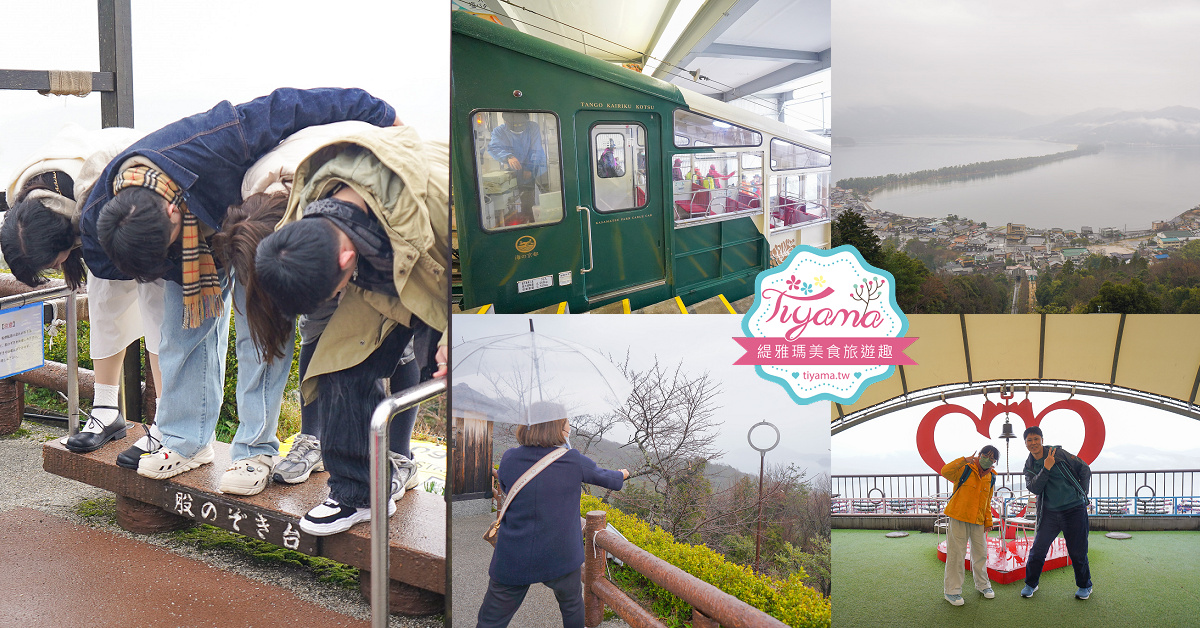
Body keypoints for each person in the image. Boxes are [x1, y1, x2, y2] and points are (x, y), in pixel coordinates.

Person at [78, 87, 401, 495]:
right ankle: (184, 441)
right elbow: (105, 262)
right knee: (181, 336)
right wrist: (168, 261)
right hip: (192, 254)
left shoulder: (215, 140)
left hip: (257, 222)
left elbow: (292, 105)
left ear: (172, 210)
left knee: (261, 336)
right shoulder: (102, 215)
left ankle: (254, 450)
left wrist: (381, 114)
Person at [252, 124, 449, 534]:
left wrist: (455, 334)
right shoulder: (310, 203)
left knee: (443, 371)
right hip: (378, 275)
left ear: (343, 259)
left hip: (436, 270)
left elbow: (493, 269)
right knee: (341, 363)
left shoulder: (441, 198)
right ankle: (356, 495)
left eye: (331, 292)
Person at [210, 121, 422, 488]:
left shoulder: (348, 191)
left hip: (375, 237)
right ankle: (313, 440)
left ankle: (401, 455)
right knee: (316, 328)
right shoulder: (255, 192)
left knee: (396, 345)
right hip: (318, 237)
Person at [1, 125, 165, 464]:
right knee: (105, 304)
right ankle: (107, 409)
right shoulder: (28, 203)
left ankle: (165, 421)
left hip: (144, 213)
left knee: (157, 314)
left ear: (65, 238)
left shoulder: (92, 188)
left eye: (53, 262)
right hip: (97, 215)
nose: (56, 267)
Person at [477, 409, 627, 628]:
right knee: (572, 606)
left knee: (491, 619)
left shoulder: (509, 458)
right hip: (561, 555)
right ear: (556, 429)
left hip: (514, 555)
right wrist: (622, 474)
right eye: (566, 424)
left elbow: (507, 489)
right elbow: (605, 477)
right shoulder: (572, 460)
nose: (569, 429)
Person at [1021, 426, 1093, 600]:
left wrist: (1081, 493)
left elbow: (1084, 468)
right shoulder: (1030, 465)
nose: (1033, 443)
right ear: (1025, 443)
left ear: (1042, 440)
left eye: (1036, 439)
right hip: (1050, 513)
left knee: (1077, 551)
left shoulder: (1058, 453)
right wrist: (1046, 468)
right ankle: (1031, 584)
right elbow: (1035, 488)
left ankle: (1085, 585)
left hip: (1074, 509)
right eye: (1029, 440)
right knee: (1038, 550)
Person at [939, 445, 999, 605]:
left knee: (981, 553)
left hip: (978, 520)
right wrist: (963, 460)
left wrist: (988, 521)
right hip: (958, 517)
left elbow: (987, 502)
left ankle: (983, 585)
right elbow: (945, 471)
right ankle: (952, 591)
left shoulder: (991, 477)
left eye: (992, 458)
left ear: (994, 462)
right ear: (979, 455)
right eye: (985, 455)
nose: (988, 459)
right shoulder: (965, 468)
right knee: (956, 554)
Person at [486, 112, 546, 224]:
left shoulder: (533, 127)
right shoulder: (499, 131)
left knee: (532, 192)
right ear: (506, 122)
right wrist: (508, 157)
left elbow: (535, 148)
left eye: (521, 125)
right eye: (515, 125)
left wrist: (529, 167)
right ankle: (523, 218)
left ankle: (531, 218)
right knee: (519, 193)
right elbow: (493, 148)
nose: (519, 128)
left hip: (534, 164)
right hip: (515, 167)